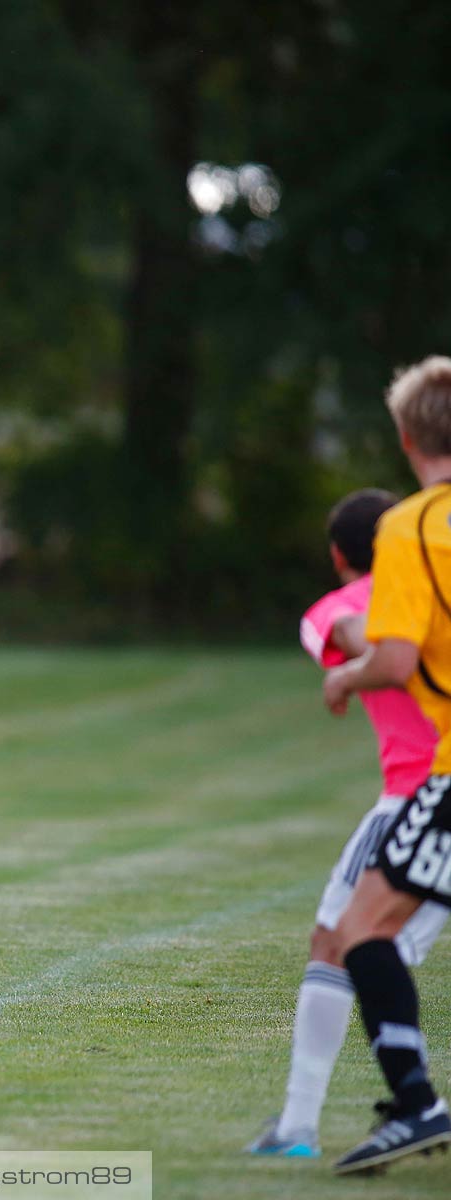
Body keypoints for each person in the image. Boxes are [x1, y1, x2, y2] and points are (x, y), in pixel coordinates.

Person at [244, 488, 444, 1159]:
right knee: (341, 941)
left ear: (337, 556)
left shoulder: (339, 606)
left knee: (341, 940)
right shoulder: (433, 580)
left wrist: (365, 666)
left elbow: (362, 639)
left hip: (419, 797)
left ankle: (325, 1123)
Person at [320, 355, 451, 1173]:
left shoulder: (408, 526)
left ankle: (416, 1105)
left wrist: (345, 672)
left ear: (405, 437)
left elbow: (397, 656)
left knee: (359, 929)